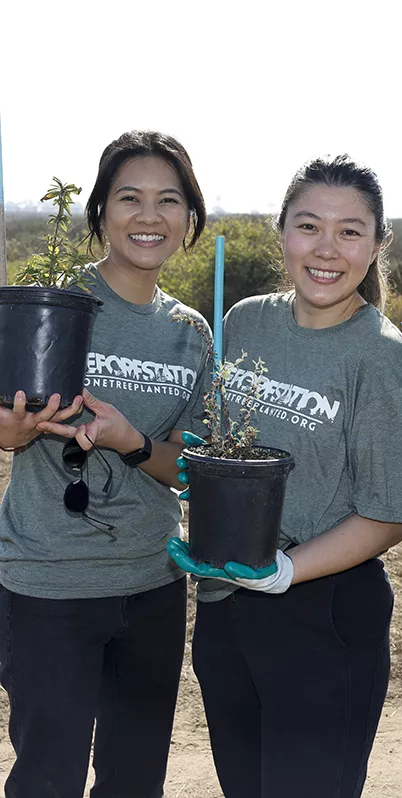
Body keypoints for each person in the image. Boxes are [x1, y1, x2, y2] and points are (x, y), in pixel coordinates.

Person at [168, 154, 402, 798]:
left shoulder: (384, 356)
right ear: (281, 232)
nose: (327, 249)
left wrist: (284, 571)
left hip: (324, 614)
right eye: (309, 226)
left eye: (350, 231)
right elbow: (220, 448)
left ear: (376, 245)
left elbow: (387, 515)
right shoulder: (245, 322)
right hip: (225, 606)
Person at [0, 130, 212, 797]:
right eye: (130, 198)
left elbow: (191, 471)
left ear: (188, 220)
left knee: (133, 779)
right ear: (99, 211)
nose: (149, 216)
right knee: (47, 778)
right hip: (48, 585)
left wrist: (132, 443)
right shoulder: (47, 310)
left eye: (168, 201)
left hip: (150, 584)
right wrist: (9, 430)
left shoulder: (190, 333)